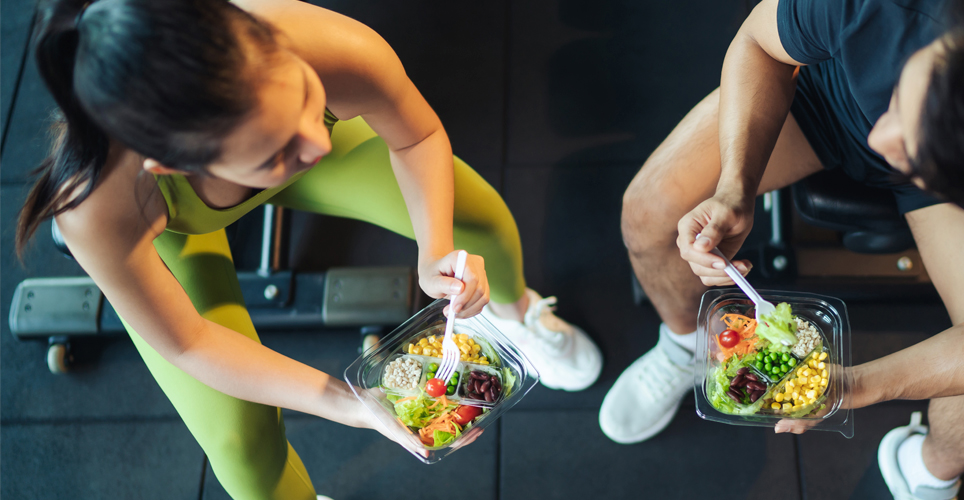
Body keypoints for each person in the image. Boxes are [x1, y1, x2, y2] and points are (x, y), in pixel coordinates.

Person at [16, 0, 602, 498]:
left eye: (306, 101)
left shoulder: (328, 49)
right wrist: (352, 404)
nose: (317, 142)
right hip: (176, 230)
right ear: (173, 164)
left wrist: (434, 251)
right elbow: (191, 344)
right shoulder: (95, 207)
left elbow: (418, 135)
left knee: (480, 218)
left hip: (249, 142)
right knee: (242, 445)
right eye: (274, 151)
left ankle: (517, 313)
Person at [605, 0, 964, 498]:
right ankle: (686, 347)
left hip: (956, 196)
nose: (880, 140)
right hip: (832, 94)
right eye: (904, 96)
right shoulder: (892, 5)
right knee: (651, 208)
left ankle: (925, 470)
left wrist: (858, 385)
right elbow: (760, 44)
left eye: (920, 145)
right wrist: (736, 185)